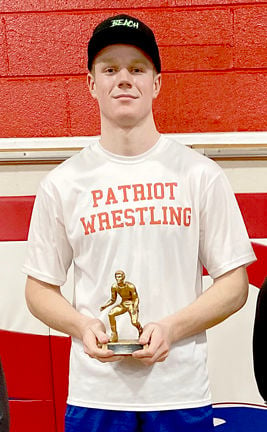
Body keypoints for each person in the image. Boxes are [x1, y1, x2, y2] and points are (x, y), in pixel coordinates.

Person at [23, 13, 256, 432]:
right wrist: (82, 325)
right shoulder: (62, 183)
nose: (124, 79)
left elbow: (234, 285)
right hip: (96, 397)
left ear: (156, 83)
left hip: (180, 394)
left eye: (137, 68)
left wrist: (172, 327)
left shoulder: (199, 174)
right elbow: (39, 288)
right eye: (109, 69)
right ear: (92, 84)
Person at [100, 270, 143, 343]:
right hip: (123, 304)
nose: (117, 279)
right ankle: (114, 334)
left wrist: (135, 307)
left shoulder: (130, 286)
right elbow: (113, 299)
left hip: (131, 304)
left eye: (119, 277)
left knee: (134, 322)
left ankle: (140, 330)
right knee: (111, 314)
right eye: (116, 277)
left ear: (123, 277)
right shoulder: (114, 287)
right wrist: (105, 306)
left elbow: (136, 298)